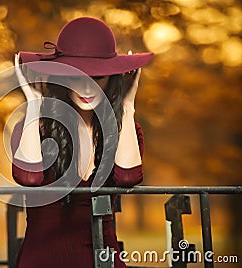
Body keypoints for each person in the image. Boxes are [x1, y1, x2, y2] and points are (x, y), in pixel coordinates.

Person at [11, 17, 153, 268]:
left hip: (103, 260)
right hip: (44, 260)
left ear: (111, 78)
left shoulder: (125, 130)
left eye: (97, 77)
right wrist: (34, 105)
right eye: (77, 77)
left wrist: (128, 107)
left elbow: (128, 177)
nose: (87, 88)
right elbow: (29, 178)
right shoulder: (34, 127)